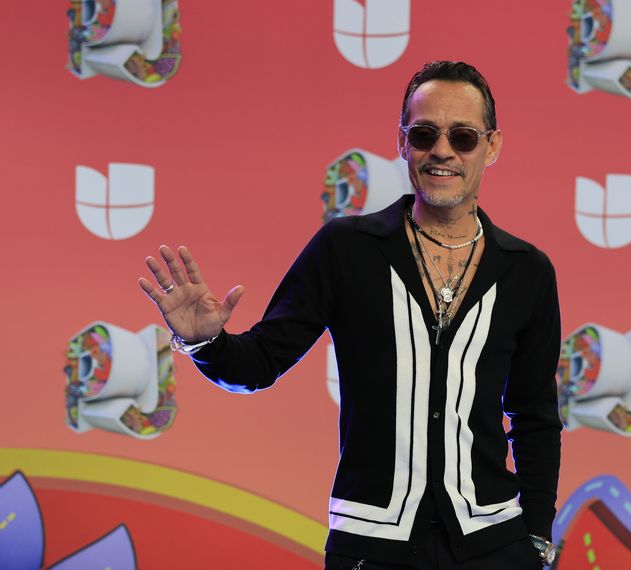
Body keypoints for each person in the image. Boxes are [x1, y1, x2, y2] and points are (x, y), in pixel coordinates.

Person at [140, 61, 561, 569]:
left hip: (495, 546)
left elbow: (535, 418)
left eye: (463, 137)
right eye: (424, 134)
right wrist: (205, 342)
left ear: (491, 146)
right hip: (370, 549)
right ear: (402, 142)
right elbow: (260, 362)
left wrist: (537, 539)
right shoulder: (345, 249)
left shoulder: (527, 271)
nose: (442, 151)